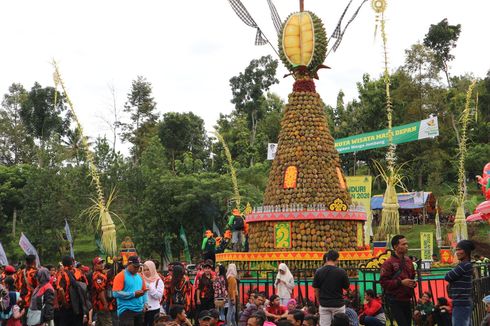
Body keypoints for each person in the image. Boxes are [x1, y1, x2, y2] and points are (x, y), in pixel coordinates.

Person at [379, 235, 416, 326]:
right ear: (395, 247)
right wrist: (401, 282)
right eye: (403, 244)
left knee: (408, 323)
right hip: (394, 299)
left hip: (407, 299)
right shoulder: (388, 263)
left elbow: (412, 276)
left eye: (406, 244)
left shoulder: (408, 261)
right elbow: (383, 282)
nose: (406, 246)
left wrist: (412, 283)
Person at [312, 250, 349, 326]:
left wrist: (319, 302)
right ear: (337, 259)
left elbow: (316, 290)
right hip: (338, 304)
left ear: (326, 259)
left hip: (324, 304)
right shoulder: (342, 272)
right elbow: (347, 287)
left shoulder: (318, 271)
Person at [444, 239, 475, 326]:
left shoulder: (464, 265)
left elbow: (448, 276)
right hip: (462, 302)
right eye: (456, 250)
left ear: (466, 251)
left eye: (459, 249)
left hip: (461, 303)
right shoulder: (466, 265)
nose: (457, 252)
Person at [112, 256, 147, 326]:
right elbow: (115, 293)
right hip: (126, 310)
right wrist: (133, 294)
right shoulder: (121, 275)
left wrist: (145, 303)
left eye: (138, 266)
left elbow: (144, 291)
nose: (137, 268)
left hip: (139, 310)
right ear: (129, 264)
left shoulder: (140, 276)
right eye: (135, 266)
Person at [56, 255, 89, 326]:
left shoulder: (62, 274)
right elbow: (85, 285)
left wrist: (65, 303)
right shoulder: (78, 272)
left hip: (68, 306)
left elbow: (61, 289)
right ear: (72, 263)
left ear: (63, 263)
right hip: (79, 304)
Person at [91, 257, 113, 326]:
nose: (101, 264)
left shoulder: (100, 274)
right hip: (101, 304)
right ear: (94, 266)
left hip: (99, 304)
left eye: (102, 262)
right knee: (108, 323)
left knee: (99, 323)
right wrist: (105, 304)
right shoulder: (98, 276)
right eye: (99, 263)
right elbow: (101, 291)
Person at [142, 261, 164, 326]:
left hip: (154, 309)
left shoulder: (158, 281)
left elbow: (159, 296)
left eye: (148, 269)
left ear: (152, 269)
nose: (146, 272)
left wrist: (150, 287)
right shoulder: (141, 279)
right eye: (144, 270)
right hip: (142, 310)